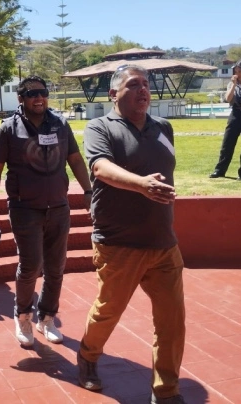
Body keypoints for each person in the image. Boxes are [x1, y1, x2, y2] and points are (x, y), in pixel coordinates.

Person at [77, 65, 185, 403]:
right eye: (133, 84)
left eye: (146, 85)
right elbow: (100, 167)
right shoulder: (100, 127)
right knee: (108, 311)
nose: (143, 90)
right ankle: (88, 355)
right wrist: (141, 185)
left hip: (163, 241)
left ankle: (166, 391)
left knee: (172, 321)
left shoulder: (163, 127)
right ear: (113, 94)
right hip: (118, 242)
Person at [0, 75, 92, 346]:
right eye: (32, 94)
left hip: (58, 206)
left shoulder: (60, 124)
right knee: (31, 265)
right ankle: (23, 316)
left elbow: (75, 159)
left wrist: (88, 191)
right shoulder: (8, 129)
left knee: (56, 267)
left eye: (43, 92)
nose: (39, 98)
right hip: (25, 208)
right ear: (21, 98)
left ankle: (46, 318)